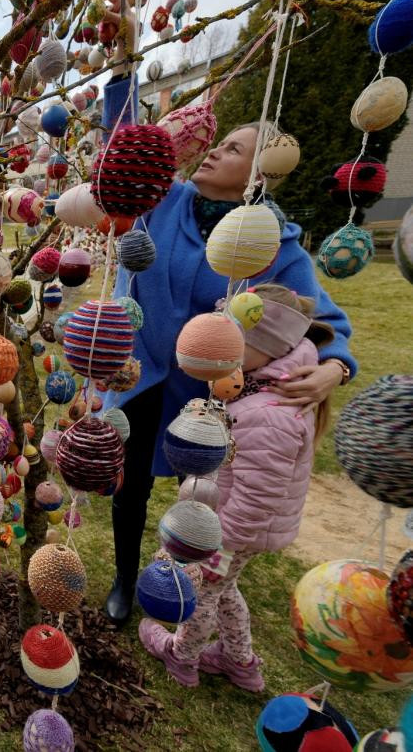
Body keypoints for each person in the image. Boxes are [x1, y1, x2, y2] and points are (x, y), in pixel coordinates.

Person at [98, 1, 357, 625]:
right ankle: (127, 580)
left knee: (200, 499)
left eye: (234, 148)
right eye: (219, 143)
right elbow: (123, 144)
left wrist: (335, 369)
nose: (214, 152)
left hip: (209, 393)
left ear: (262, 170)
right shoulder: (164, 198)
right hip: (140, 373)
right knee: (128, 486)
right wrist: (123, 60)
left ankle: (185, 587)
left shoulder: (273, 241)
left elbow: (327, 321)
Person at [139, 285, 332, 690]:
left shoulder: (270, 413)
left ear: (269, 347)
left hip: (232, 530)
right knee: (225, 590)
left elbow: (258, 496)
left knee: (205, 592)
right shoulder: (263, 389)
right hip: (236, 526)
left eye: (235, 346)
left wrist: (218, 544)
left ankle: (183, 656)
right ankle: (238, 659)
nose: (223, 354)